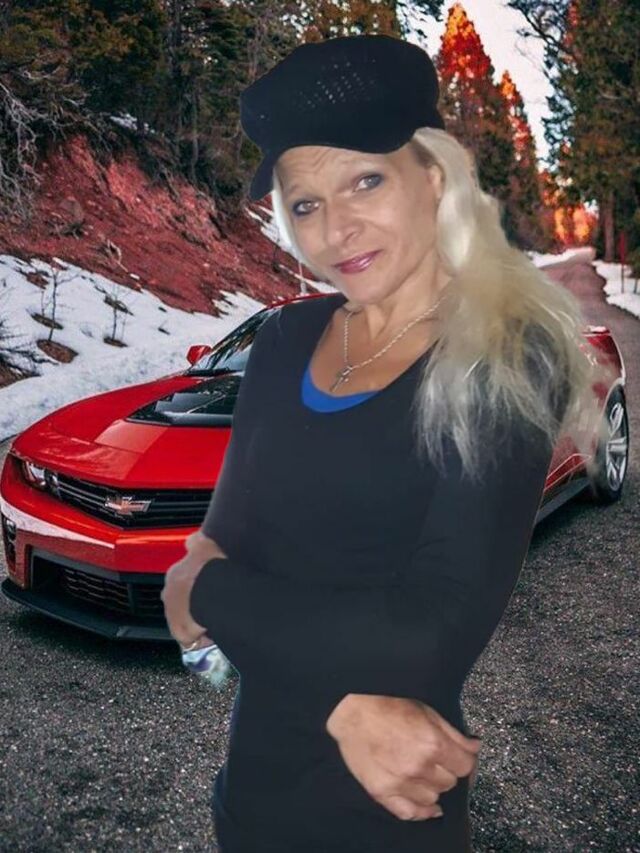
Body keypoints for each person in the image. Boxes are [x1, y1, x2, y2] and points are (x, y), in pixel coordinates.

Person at [161, 34, 611, 853]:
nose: (337, 230)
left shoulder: (507, 353)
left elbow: (428, 632)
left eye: (365, 180)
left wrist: (211, 594)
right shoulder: (285, 339)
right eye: (305, 204)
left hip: (391, 821)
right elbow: (205, 576)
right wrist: (338, 703)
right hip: (247, 808)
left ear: (433, 176)